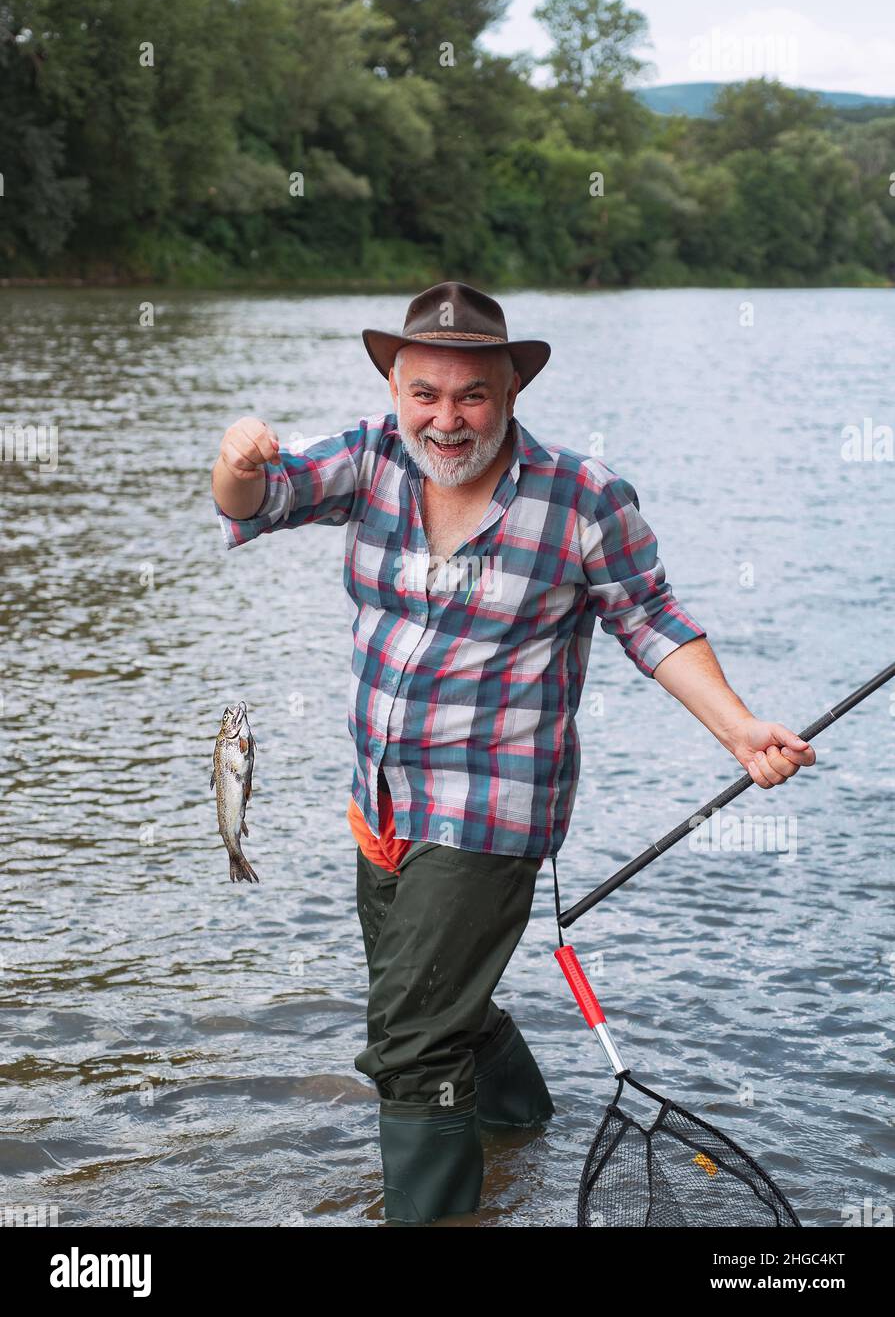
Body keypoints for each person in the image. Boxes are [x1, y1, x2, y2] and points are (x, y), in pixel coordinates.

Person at [210, 281, 816, 1225]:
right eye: (426, 394)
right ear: (395, 387)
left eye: (471, 396)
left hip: (492, 807)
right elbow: (253, 501)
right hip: (381, 799)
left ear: (509, 393)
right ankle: (521, 1121)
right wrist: (236, 459)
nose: (446, 419)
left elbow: (652, 622)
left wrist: (737, 728)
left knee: (409, 1043)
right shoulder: (371, 457)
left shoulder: (581, 498)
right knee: (433, 1002)